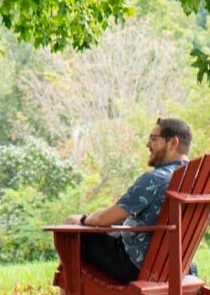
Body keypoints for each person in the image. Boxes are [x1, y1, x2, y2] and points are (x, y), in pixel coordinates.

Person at [60, 117, 193, 286]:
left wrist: (82, 219)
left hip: (137, 265)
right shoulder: (197, 180)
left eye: (154, 139)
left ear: (173, 142)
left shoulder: (155, 179)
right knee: (109, 233)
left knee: (69, 231)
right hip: (179, 264)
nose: (147, 144)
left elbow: (104, 219)